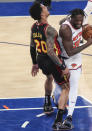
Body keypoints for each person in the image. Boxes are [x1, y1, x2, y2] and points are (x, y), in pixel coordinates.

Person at [29, 2, 71, 130]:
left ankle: (47, 103)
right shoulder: (49, 30)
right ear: (42, 14)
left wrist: (35, 63)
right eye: (44, 7)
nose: (46, 8)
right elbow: (51, 52)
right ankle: (58, 121)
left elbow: (32, 47)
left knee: (49, 78)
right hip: (51, 60)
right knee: (65, 87)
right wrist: (62, 66)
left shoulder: (34, 27)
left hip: (41, 59)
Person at [53, 8, 92, 129]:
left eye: (81, 20)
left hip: (76, 60)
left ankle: (69, 117)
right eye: (76, 20)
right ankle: (56, 99)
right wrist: (88, 43)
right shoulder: (65, 29)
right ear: (71, 18)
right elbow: (70, 52)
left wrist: (88, 30)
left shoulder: (80, 21)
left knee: (73, 86)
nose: (79, 23)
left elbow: (74, 53)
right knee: (60, 90)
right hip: (63, 59)